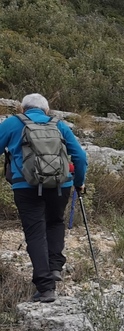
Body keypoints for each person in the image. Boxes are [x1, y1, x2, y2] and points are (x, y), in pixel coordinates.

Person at [0, 93, 88, 303]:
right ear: (46, 110)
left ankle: (46, 287)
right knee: (55, 221)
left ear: (22, 108)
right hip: (61, 184)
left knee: (35, 232)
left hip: (26, 185)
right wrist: (78, 181)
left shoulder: (13, 123)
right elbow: (80, 157)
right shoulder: (59, 124)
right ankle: (55, 266)